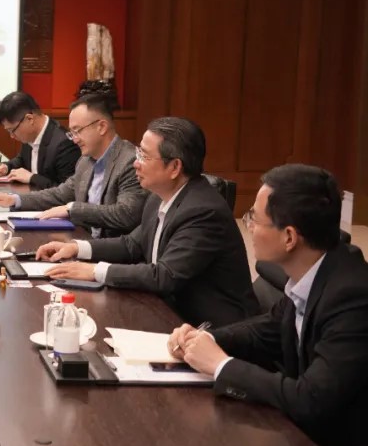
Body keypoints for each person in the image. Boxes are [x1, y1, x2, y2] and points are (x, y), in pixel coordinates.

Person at [168, 164, 368, 446]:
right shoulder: (311, 271)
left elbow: (310, 400)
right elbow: (269, 328)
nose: (247, 226)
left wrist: (221, 365)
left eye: (254, 218)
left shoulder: (352, 296)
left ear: (289, 237)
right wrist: (205, 339)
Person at [39, 117, 259, 327]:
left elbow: (164, 276)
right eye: (138, 152)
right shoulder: (158, 196)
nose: (136, 163)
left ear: (175, 167)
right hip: (165, 309)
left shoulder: (203, 212)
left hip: (207, 328)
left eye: (144, 156)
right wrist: (76, 248)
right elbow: (132, 244)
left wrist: (95, 271)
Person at [0, 94, 145, 238]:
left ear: (101, 127)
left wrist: (71, 209)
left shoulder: (129, 161)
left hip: (111, 251)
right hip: (83, 240)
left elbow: (126, 214)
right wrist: (14, 200)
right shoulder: (85, 161)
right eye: (72, 132)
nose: (74, 139)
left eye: (77, 131)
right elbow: (61, 194)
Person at [0, 91, 80, 189]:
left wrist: (32, 178)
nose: (12, 136)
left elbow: (68, 191)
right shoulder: (30, 135)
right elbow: (22, 160)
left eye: (12, 130)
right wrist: (6, 167)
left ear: (29, 119)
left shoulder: (64, 144)